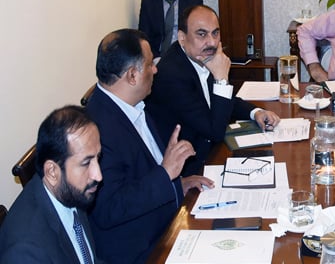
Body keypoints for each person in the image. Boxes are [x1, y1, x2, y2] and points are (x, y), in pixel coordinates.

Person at [86, 29, 213, 264]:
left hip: (166, 219)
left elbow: (144, 173)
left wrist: (177, 184)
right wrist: (166, 174)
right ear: (132, 75)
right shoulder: (97, 130)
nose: (155, 69)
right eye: (149, 64)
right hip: (142, 248)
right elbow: (109, 209)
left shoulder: (133, 103)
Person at [146, 5, 280, 176]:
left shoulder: (198, 55)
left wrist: (255, 112)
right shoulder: (172, 75)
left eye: (215, 33)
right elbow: (214, 131)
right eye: (201, 34)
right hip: (189, 168)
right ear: (181, 37)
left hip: (209, 148)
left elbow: (221, 99)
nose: (211, 42)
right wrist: (221, 78)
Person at [0, 106, 102, 264]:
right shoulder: (25, 252)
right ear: (52, 172)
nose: (98, 175)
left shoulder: (69, 190)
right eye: (86, 163)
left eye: (98, 158)